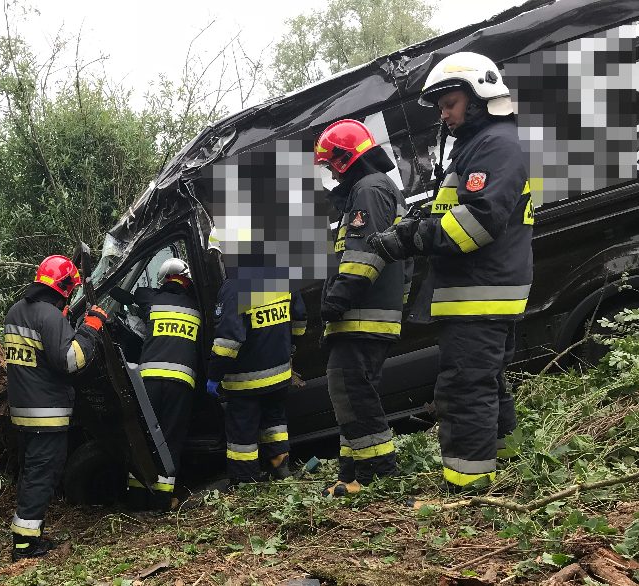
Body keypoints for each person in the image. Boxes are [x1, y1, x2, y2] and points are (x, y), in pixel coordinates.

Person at [367, 51, 532, 491]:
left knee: (463, 391)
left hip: (480, 293)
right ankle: (507, 468)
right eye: (441, 107)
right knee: (487, 384)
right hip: (483, 291)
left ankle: (466, 490)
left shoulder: (494, 145)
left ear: (478, 96)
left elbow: (477, 223)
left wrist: (408, 239)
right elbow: (458, 210)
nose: (444, 114)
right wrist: (418, 224)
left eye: (450, 104)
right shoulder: (484, 145)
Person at [313, 119, 409, 496]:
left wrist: (339, 297)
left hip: (362, 314)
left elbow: (364, 253)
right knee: (349, 393)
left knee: (352, 390)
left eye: (330, 166)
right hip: (366, 315)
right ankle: (352, 476)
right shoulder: (374, 188)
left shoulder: (369, 189)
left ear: (343, 159)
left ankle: (379, 476)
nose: (330, 176)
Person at [4, 255, 107, 560]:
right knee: (41, 476)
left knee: (30, 473)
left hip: (23, 412)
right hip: (46, 414)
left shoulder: (16, 311)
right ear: (63, 287)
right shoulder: (49, 317)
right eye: (70, 289)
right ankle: (25, 545)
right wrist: (90, 328)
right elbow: (70, 361)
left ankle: (29, 534)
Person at [206, 283, 307, 486]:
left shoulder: (235, 289)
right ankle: (281, 467)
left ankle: (245, 480)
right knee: (275, 421)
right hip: (278, 373)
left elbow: (229, 341)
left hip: (246, 380)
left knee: (242, 430)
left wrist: (214, 374)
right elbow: (301, 319)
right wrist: (290, 344)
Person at [125, 258, 200, 511]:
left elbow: (138, 293)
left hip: (149, 381)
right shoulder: (197, 306)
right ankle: (161, 501)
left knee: (144, 439)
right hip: (181, 382)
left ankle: (136, 499)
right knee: (170, 440)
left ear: (165, 280)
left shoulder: (152, 301)